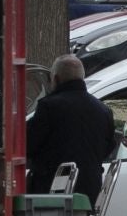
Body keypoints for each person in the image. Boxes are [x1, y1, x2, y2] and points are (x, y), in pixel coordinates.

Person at [25, 53, 118, 206]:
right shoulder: (103, 110)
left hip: (51, 192)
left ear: (55, 79)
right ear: (82, 78)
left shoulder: (49, 107)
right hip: (89, 192)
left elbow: (29, 145)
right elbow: (108, 147)